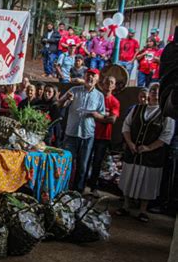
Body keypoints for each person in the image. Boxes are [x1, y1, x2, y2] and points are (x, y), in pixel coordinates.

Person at [116, 83, 175, 222]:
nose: (155, 93)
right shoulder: (137, 109)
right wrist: (130, 143)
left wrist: (149, 148)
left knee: (148, 181)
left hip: (152, 156)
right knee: (129, 177)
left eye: (158, 91)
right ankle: (125, 206)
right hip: (133, 151)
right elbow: (126, 126)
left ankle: (143, 210)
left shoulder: (166, 113)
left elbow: (166, 136)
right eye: (153, 90)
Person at [58, 68, 105, 192]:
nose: (90, 77)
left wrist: (95, 115)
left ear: (97, 79)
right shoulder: (74, 90)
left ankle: (77, 192)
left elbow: (102, 115)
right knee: (66, 163)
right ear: (84, 76)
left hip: (87, 135)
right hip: (71, 133)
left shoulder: (99, 96)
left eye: (93, 76)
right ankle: (62, 189)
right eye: (88, 75)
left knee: (83, 166)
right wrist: (65, 99)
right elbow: (60, 105)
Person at [87, 76, 120, 197]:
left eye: (111, 82)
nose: (109, 84)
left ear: (114, 86)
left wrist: (98, 116)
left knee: (97, 162)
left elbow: (112, 120)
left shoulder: (115, 102)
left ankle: (93, 187)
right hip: (90, 133)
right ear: (102, 84)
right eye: (107, 82)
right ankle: (81, 185)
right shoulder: (96, 97)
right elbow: (89, 113)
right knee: (85, 160)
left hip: (104, 137)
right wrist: (105, 116)